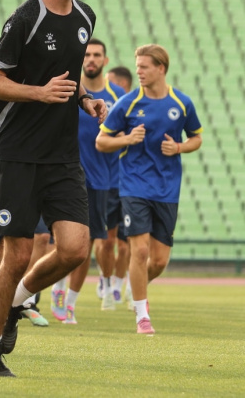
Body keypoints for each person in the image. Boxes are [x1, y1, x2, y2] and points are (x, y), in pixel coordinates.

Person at [0, 0, 106, 377]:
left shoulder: (86, 16)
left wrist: (84, 98)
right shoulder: (25, 18)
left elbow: (64, 74)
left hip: (63, 156)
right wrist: (39, 93)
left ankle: (17, 301)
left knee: (74, 248)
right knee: (17, 254)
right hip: (18, 154)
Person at [96, 44, 202, 334]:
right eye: (137, 65)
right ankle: (142, 315)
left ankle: (136, 286)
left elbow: (196, 138)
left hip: (168, 189)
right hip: (133, 186)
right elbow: (102, 142)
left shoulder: (182, 104)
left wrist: (179, 147)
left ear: (161, 69)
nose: (139, 71)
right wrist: (127, 140)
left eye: (144, 67)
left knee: (158, 261)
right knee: (139, 252)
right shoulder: (128, 103)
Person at [59, 38, 126, 322]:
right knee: (58, 242)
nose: (91, 59)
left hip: (103, 179)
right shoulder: (67, 88)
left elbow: (128, 136)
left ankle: (72, 301)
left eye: (97, 55)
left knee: (91, 244)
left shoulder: (119, 95)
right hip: (65, 173)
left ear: (105, 61)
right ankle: (58, 292)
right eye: (86, 54)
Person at [105, 65, 133, 306]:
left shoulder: (133, 109)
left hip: (128, 185)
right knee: (106, 241)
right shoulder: (110, 110)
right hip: (105, 183)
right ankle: (105, 279)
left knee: (126, 245)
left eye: (112, 83)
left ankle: (117, 283)